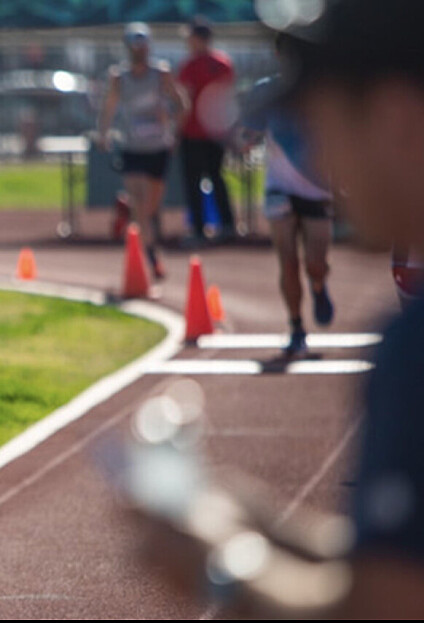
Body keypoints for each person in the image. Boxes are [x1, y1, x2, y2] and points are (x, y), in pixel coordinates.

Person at [118, 1, 424, 617]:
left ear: (395, 119)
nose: (320, 162)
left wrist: (217, 567)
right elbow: (399, 560)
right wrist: (253, 522)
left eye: (325, 130)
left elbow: (383, 605)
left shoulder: (413, 353)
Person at [239, 35, 335, 358]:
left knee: (316, 263)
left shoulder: (322, 88)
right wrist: (244, 140)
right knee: (288, 262)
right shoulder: (267, 91)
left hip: (317, 188)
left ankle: (319, 287)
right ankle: (296, 326)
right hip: (278, 187)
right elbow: (250, 131)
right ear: (279, 55)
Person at [97, 22, 188, 280]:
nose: (139, 51)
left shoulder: (161, 74)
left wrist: (175, 130)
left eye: (143, 47)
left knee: (150, 208)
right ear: (128, 49)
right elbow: (109, 107)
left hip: (158, 148)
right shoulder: (119, 77)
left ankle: (126, 209)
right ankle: (152, 257)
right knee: (141, 205)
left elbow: (181, 103)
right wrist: (103, 133)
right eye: (135, 47)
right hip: (132, 148)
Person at [177, 16, 238, 244]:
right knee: (216, 177)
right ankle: (227, 225)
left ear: (198, 39)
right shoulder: (223, 63)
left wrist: (176, 130)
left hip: (193, 132)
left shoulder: (191, 66)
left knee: (195, 181)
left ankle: (199, 230)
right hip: (216, 132)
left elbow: (184, 101)